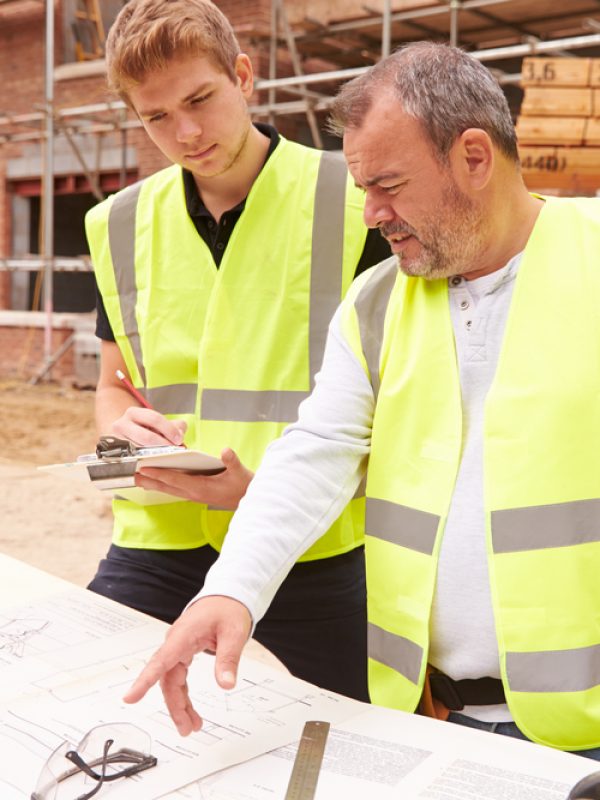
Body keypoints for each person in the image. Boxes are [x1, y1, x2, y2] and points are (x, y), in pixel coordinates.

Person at [122, 41, 600, 759]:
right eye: (362, 190)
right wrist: (232, 591)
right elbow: (314, 455)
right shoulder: (376, 305)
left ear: (474, 157)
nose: (371, 214)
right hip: (433, 718)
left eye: (389, 185)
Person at [86, 0, 391, 702]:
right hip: (156, 536)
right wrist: (115, 432)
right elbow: (110, 386)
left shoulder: (354, 204)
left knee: (354, 734)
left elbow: (403, 400)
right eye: (156, 117)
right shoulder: (117, 224)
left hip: (306, 539)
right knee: (97, 713)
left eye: (200, 99)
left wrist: (260, 492)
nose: (186, 133)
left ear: (244, 76)